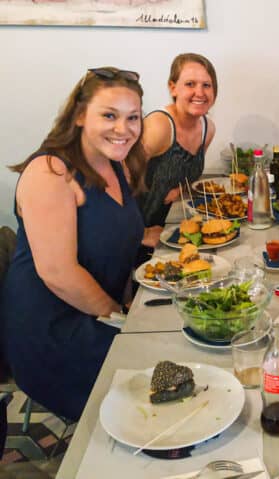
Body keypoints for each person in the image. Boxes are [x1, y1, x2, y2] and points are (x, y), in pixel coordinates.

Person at [0, 67, 146, 421]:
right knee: (155, 372)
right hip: (54, 331)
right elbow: (58, 273)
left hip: (97, 311)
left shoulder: (118, 165)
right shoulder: (51, 172)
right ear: (80, 115)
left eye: (133, 118)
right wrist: (123, 320)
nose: (122, 129)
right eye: (109, 115)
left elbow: (115, 237)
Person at [137, 53, 217, 230]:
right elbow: (120, 181)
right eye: (190, 84)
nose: (200, 93)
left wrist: (179, 190)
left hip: (173, 224)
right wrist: (139, 234)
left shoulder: (208, 128)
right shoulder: (160, 126)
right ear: (173, 88)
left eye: (207, 85)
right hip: (139, 231)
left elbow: (188, 176)